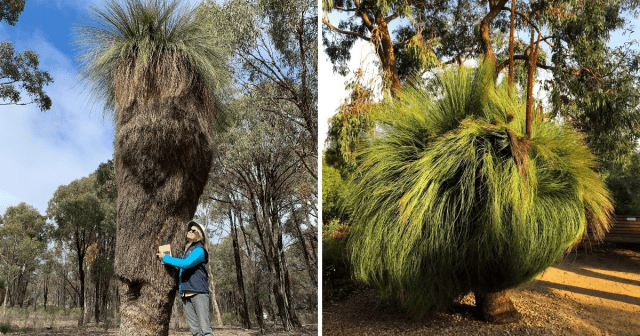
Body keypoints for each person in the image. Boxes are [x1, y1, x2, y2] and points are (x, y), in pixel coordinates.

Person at [157, 220, 212, 336]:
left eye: (193, 230)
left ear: (200, 235)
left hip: (199, 292)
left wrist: (165, 258)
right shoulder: (187, 250)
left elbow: (186, 264)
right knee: (195, 331)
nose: (190, 231)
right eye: (189, 229)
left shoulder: (199, 250)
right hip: (186, 293)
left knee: (205, 331)